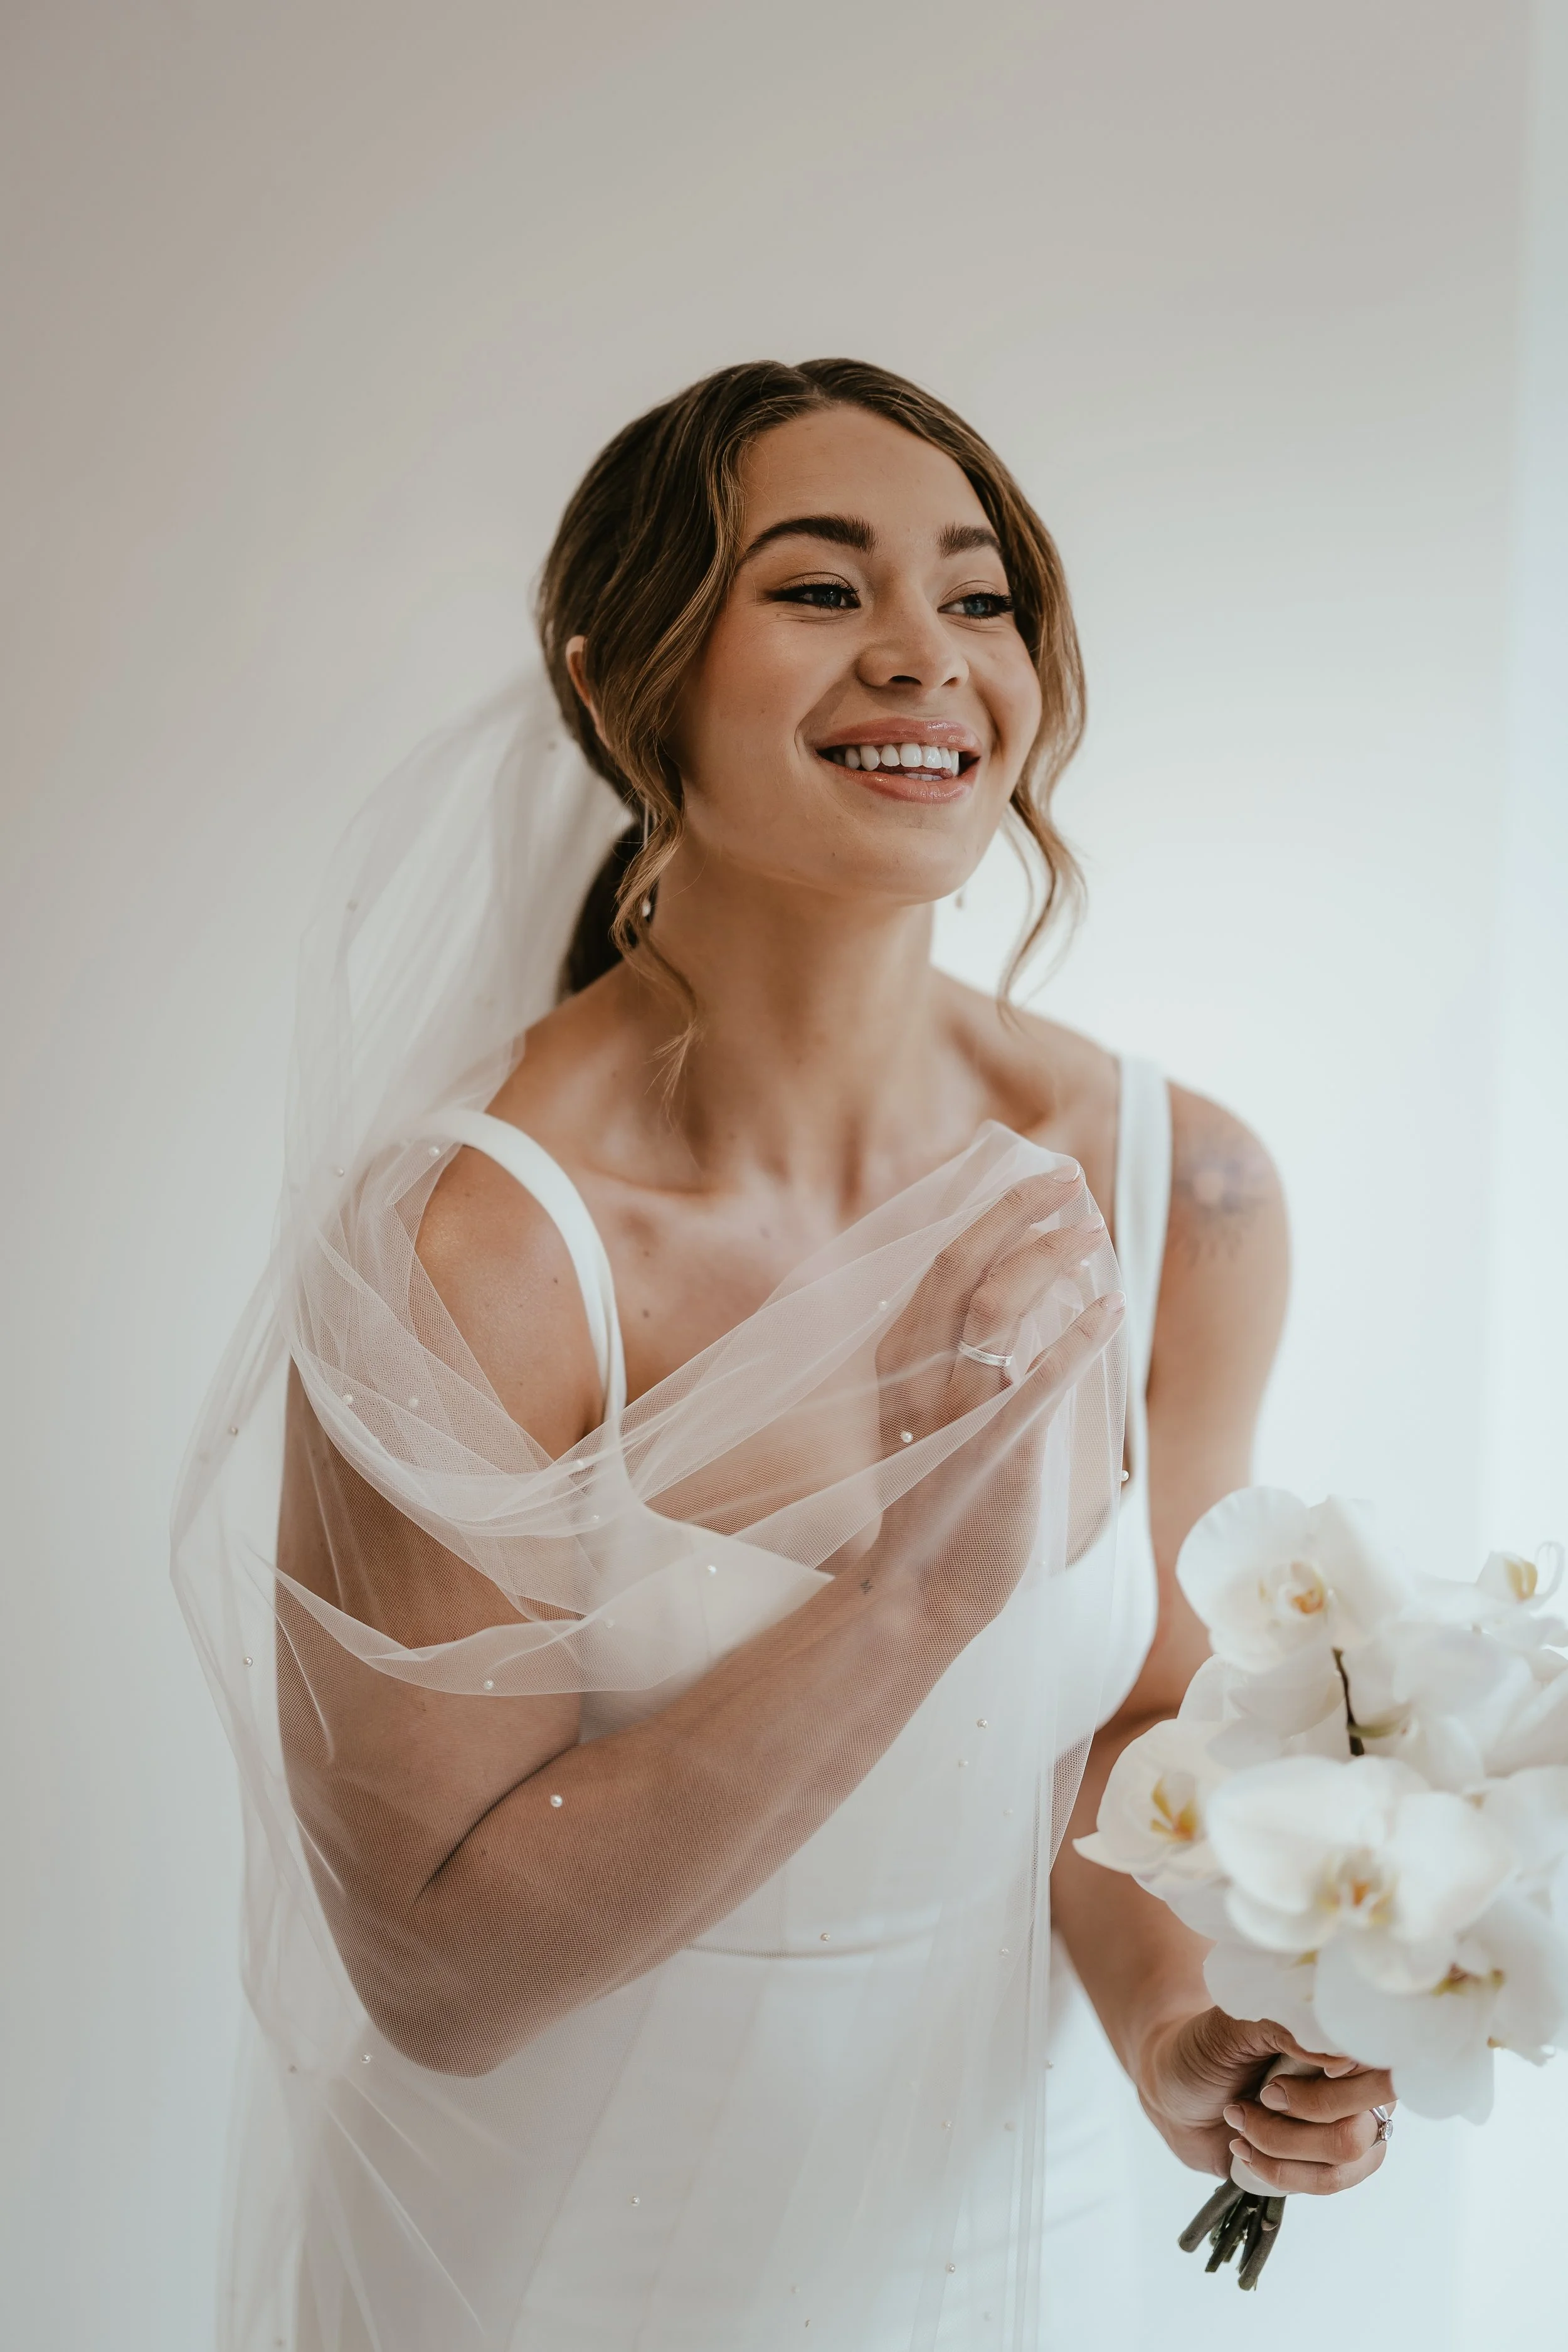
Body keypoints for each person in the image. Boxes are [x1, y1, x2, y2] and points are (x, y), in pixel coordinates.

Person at [178, 359, 1392, 2352]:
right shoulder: (470, 1248)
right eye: (820, 591)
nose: (923, 653)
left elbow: (1121, 1732)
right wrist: (914, 1586)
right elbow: (442, 1969)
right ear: (617, 679)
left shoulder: (1188, 1185)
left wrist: (1178, 2034)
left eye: (979, 597)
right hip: (575, 2261)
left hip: (996, 2222)